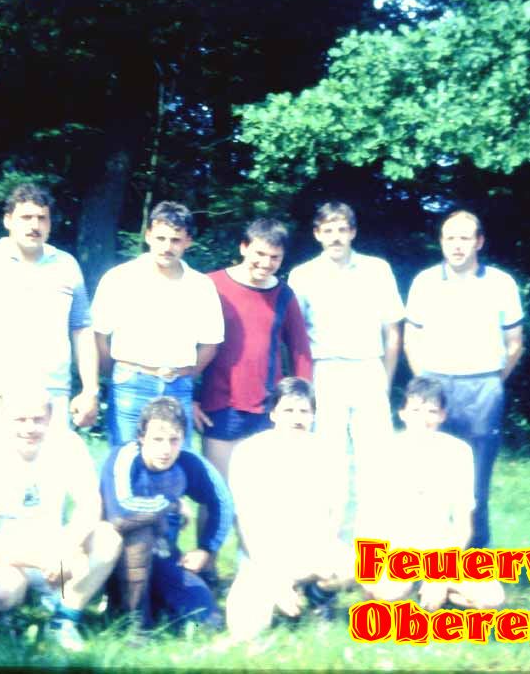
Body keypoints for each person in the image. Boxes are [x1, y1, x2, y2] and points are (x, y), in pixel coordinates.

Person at [0, 390, 122, 652]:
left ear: (50, 416)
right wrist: (42, 560)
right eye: (20, 420)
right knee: (5, 591)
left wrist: (67, 548)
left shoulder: (68, 444)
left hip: (54, 552)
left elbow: (90, 505)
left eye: (38, 419)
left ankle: (64, 619)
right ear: (4, 419)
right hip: (6, 559)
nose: (30, 428)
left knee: (108, 539)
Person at [403, 210, 524, 548]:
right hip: (434, 389)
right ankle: (421, 557)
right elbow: (411, 339)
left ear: (479, 242)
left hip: (482, 389)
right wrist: (426, 388)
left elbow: (515, 344)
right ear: (441, 242)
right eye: (450, 238)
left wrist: (492, 381)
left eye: (465, 238)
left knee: (475, 486)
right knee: (426, 479)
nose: (457, 245)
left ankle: (474, 562)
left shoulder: (502, 284)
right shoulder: (424, 282)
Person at [287, 202, 405, 542]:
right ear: (317, 234)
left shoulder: (377, 270)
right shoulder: (302, 276)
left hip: (369, 368)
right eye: (328, 230)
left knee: (376, 459)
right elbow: (294, 336)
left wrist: (385, 380)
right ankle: (328, 542)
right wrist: (304, 384)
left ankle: (374, 542)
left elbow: (392, 331)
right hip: (324, 372)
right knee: (328, 461)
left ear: (352, 231)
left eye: (341, 229)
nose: (335, 237)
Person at [0, 183, 98, 430]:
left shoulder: (67, 266)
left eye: (42, 218)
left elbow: (82, 330)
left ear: (50, 224)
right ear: (8, 220)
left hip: (53, 395)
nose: (34, 225)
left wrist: (90, 390)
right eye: (26, 217)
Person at [355, 377, 505, 609]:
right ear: (402, 413)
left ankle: (441, 596)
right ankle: (412, 595)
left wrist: (441, 574)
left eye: (431, 411)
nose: (423, 419)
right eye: (415, 410)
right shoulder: (383, 452)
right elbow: (368, 520)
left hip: (440, 553)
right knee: (388, 591)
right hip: (396, 552)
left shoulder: (459, 452)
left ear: (442, 415)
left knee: (492, 597)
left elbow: (463, 526)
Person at [224, 377, 354, 642]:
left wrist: (323, 555)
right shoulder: (248, 453)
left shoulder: (329, 453)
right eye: (288, 410)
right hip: (263, 556)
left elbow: (336, 515)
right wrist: (274, 577)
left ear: (313, 415)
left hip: (313, 551)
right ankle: (284, 598)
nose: (297, 419)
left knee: (355, 565)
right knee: (245, 630)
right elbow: (244, 524)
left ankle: (318, 598)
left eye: (304, 411)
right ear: (273, 413)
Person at [91, 201, 224, 448]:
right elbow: (98, 336)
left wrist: (183, 374)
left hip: (178, 387)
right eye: (161, 238)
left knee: (176, 460)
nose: (167, 247)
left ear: (188, 242)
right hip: (130, 384)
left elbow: (210, 344)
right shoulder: (120, 278)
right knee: (125, 458)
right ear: (148, 235)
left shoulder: (201, 286)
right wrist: (118, 372)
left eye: (175, 240)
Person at [99, 397, 233, 631]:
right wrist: (170, 506)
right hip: (115, 556)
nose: (166, 449)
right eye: (157, 440)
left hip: (163, 554)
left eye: (173, 440)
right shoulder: (124, 457)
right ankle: (134, 624)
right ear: (141, 437)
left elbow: (222, 502)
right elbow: (121, 512)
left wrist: (206, 549)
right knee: (140, 531)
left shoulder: (188, 462)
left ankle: (155, 606)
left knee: (207, 619)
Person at [195, 218, 312, 481]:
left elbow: (301, 351)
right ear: (243, 247)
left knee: (264, 490)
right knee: (220, 492)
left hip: (270, 408)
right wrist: (189, 397)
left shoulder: (284, 295)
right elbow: (186, 345)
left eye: (275, 257)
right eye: (259, 253)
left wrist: (301, 403)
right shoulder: (211, 285)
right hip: (220, 404)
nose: (266, 263)